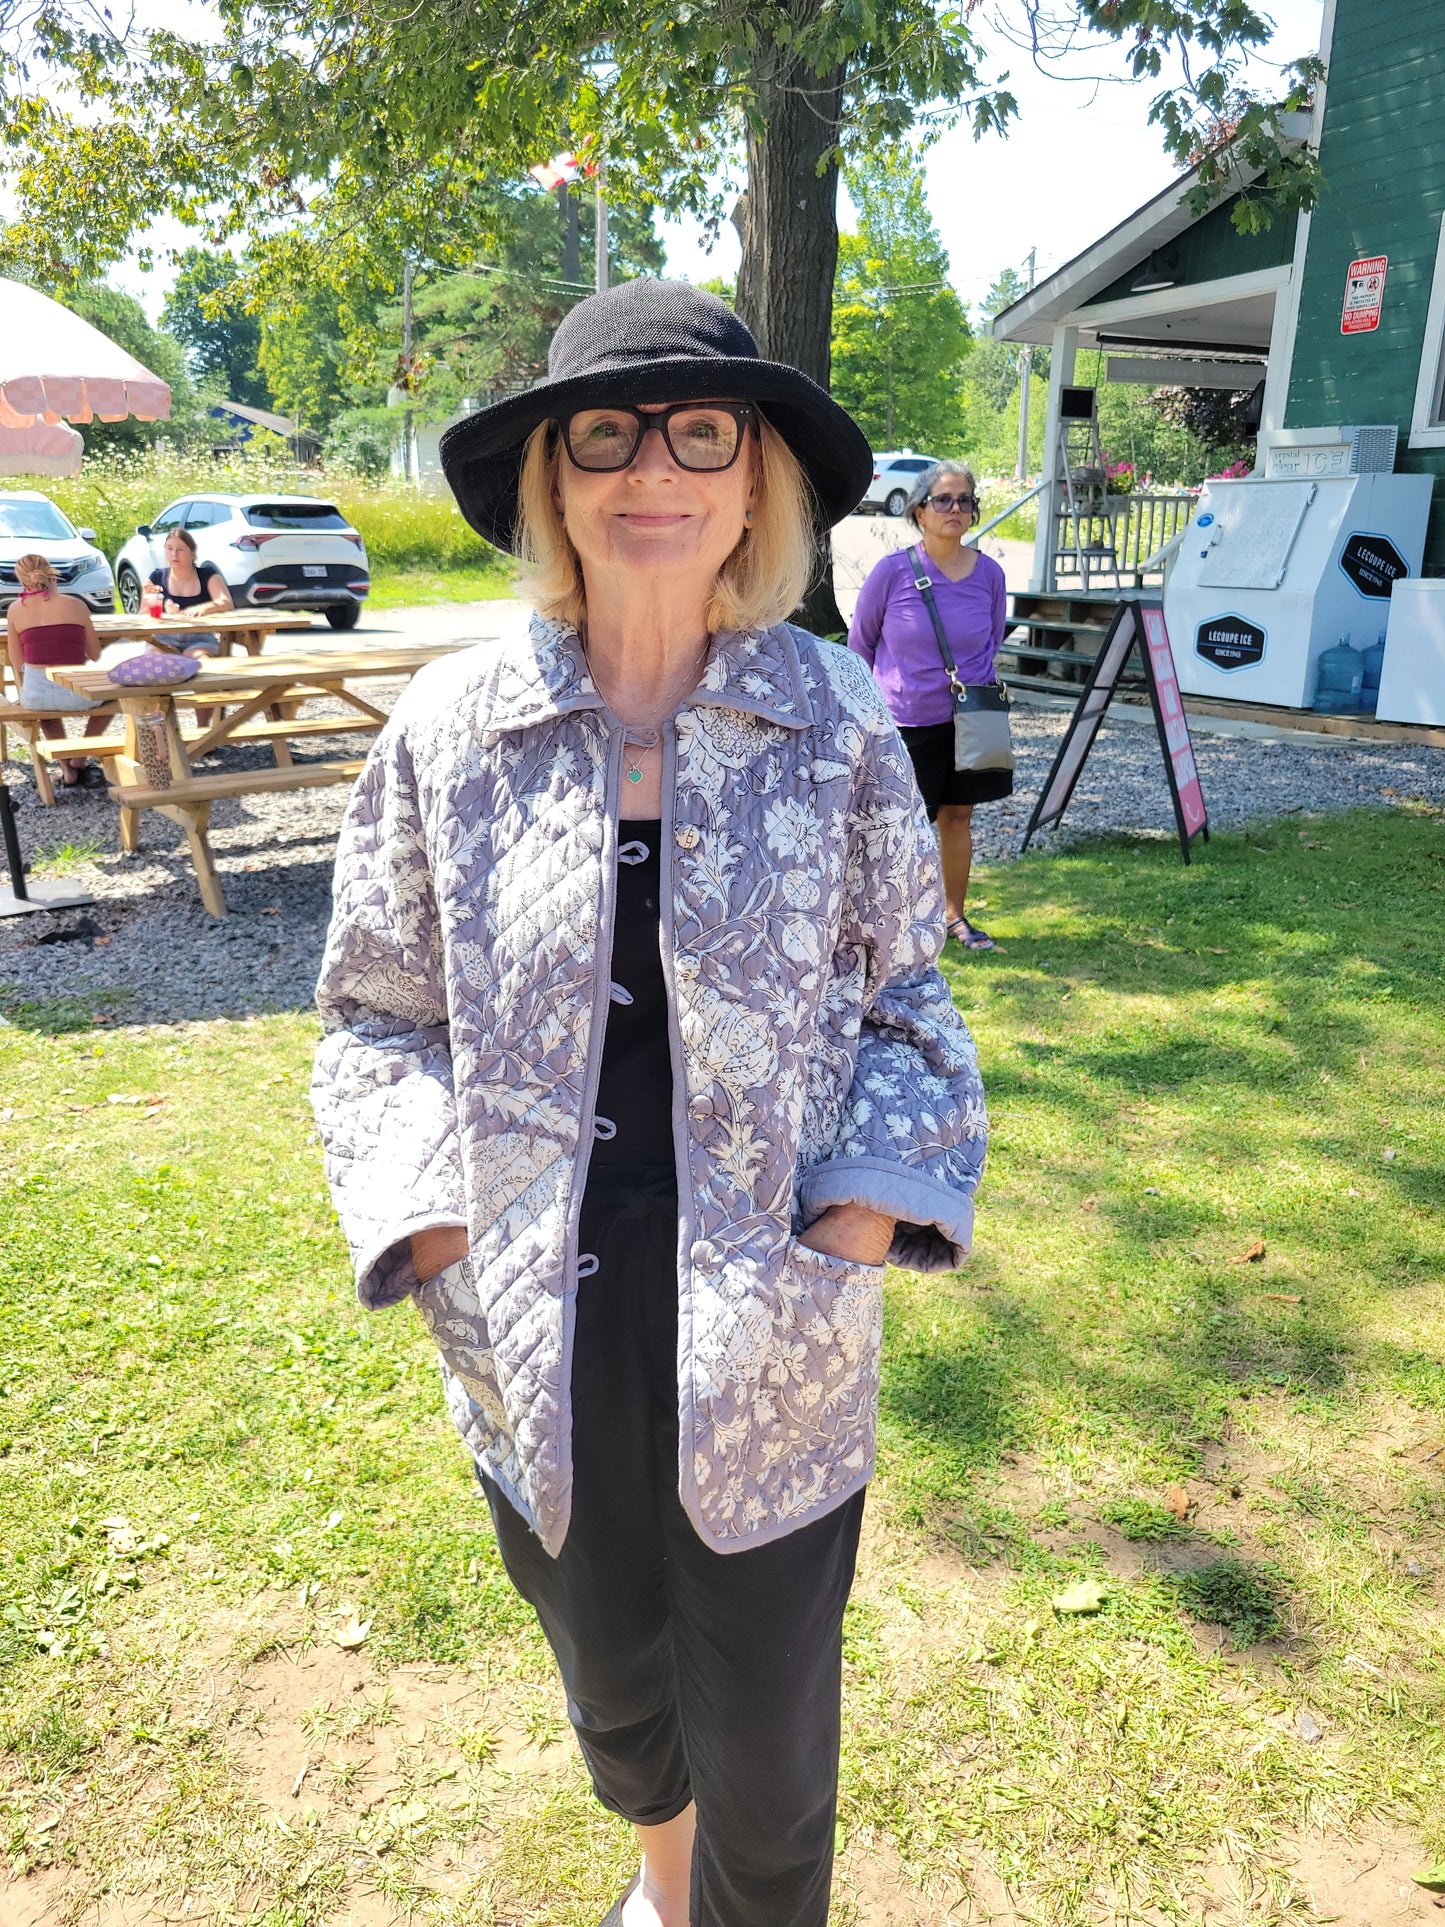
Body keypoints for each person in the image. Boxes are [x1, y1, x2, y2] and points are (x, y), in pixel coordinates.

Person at [311, 280, 987, 1927]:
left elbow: (909, 989)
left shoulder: (833, 720)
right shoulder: (452, 730)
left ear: (755, 480)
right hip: (536, 1307)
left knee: (764, 1720)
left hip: (773, 1297)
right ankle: (661, 1882)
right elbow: (375, 1012)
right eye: (605, 431)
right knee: (611, 1669)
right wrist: (438, 1221)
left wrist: (865, 1206)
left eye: (706, 431)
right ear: (553, 475)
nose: (655, 470)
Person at [848, 462, 1010, 950]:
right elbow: (860, 645)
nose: (955, 509)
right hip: (905, 721)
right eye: (944, 499)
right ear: (920, 511)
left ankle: (952, 916)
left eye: (965, 500)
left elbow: (993, 638)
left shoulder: (990, 574)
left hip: (973, 717)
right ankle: (894, 924)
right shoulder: (892, 572)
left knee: (958, 817)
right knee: (901, 824)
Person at [5, 553, 110, 786]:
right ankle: (80, 757)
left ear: (22, 583)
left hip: (37, 694)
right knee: (113, 700)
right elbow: (95, 654)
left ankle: (67, 770)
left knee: (45, 711)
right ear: (52, 574)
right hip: (75, 692)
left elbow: (16, 660)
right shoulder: (77, 605)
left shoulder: (14, 610)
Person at [148, 527, 233, 656]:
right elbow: (142, 613)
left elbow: (226, 602)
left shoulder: (207, 575)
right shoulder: (157, 577)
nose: (174, 554)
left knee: (200, 662)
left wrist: (203, 609)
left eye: (180, 550)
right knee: (155, 661)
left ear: (192, 554)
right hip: (164, 638)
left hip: (200, 638)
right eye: (169, 549)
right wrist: (155, 604)